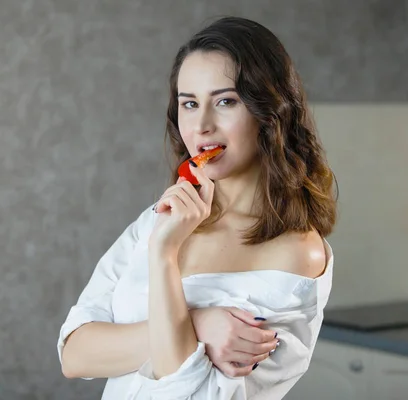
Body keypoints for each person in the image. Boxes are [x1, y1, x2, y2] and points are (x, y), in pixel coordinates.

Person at [57, 16, 337, 400]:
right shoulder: (157, 219)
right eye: (189, 103)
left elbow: (187, 393)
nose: (201, 125)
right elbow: (75, 354)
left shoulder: (296, 252)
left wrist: (164, 255)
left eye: (225, 101)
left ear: (269, 112)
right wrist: (199, 325)